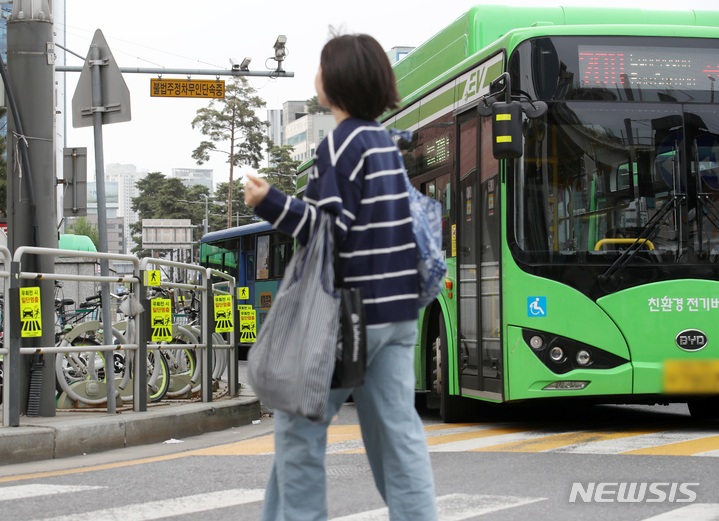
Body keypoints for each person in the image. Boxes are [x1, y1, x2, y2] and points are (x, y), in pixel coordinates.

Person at [244, 32, 438, 521]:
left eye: (322, 68)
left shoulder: (342, 145)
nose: (316, 77)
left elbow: (327, 231)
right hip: (397, 315)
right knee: (398, 436)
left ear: (337, 83)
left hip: (347, 317)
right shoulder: (386, 145)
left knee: (299, 430)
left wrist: (268, 201)